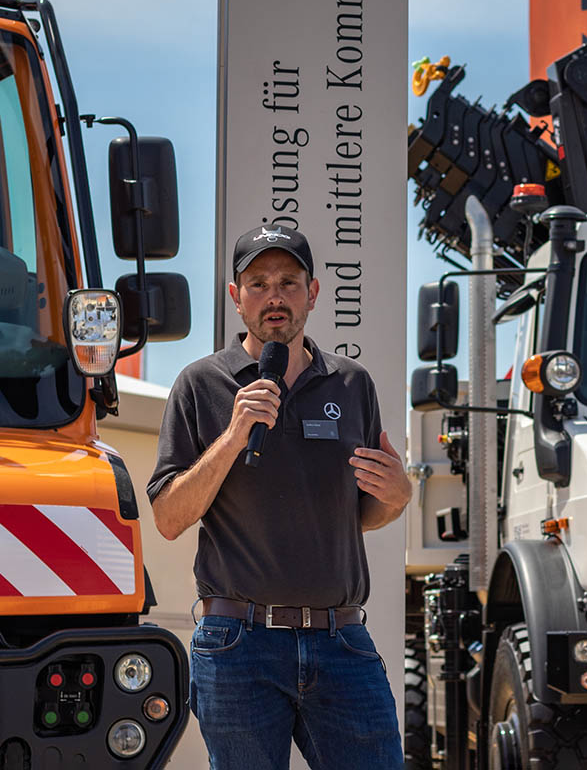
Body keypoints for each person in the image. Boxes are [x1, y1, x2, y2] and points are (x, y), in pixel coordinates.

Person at [147, 224, 411, 769]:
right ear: (235, 296)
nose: (274, 296)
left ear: (312, 293)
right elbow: (170, 518)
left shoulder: (352, 384)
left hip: (342, 641)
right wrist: (235, 433)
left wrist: (398, 496)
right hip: (237, 645)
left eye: (289, 282)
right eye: (258, 282)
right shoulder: (201, 384)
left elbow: (356, 517)